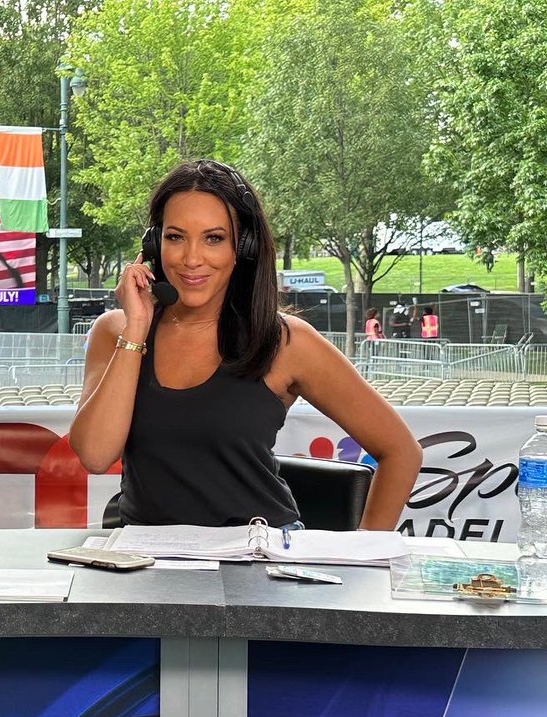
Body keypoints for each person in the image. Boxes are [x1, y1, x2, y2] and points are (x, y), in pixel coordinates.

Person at [68, 159, 421, 530]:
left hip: (257, 562)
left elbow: (401, 451)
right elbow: (95, 454)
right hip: (144, 561)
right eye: (175, 237)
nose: (191, 258)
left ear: (244, 248)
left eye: (214, 238)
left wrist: (363, 552)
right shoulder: (117, 332)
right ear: (154, 243)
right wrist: (137, 329)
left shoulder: (286, 341)